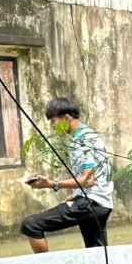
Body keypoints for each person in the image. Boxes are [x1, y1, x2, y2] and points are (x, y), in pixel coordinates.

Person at [21, 97, 114, 253]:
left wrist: (51, 184)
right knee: (97, 254)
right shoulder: (83, 135)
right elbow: (93, 177)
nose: (53, 126)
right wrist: (76, 194)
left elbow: (85, 179)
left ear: (66, 118)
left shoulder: (83, 140)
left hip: (91, 203)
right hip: (100, 203)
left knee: (31, 225)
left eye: (53, 121)